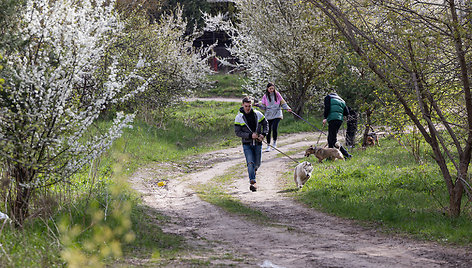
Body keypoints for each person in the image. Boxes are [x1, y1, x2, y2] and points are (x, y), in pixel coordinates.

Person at [235, 96, 269, 192]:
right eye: (246, 106)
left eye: (249, 106)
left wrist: (263, 134)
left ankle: (254, 171)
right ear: (242, 105)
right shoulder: (239, 117)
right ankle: (253, 183)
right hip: (247, 144)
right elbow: (238, 132)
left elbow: (266, 124)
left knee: (257, 163)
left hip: (258, 143)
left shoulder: (258, 114)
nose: (248, 108)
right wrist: (250, 136)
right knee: (250, 163)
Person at [257, 82, 291, 152]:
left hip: (277, 114)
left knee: (274, 128)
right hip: (269, 115)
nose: (272, 90)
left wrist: (287, 108)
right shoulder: (265, 96)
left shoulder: (277, 94)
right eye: (270, 88)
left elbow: (283, 103)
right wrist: (258, 105)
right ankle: (268, 145)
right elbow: (263, 107)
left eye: (273, 88)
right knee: (268, 130)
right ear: (267, 88)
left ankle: (274, 143)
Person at [322, 92, 353, 159]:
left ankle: (347, 155)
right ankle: (330, 157)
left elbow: (327, 107)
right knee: (330, 139)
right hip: (339, 120)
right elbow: (346, 112)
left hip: (332, 119)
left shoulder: (328, 97)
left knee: (333, 140)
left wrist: (325, 118)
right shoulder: (342, 100)